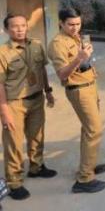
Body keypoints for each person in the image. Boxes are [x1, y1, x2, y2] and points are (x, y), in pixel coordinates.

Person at [48, 8, 105, 193]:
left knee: (88, 130)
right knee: (94, 130)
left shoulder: (76, 38)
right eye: (70, 24)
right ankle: (84, 179)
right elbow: (62, 74)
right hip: (79, 91)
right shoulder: (57, 44)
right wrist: (79, 58)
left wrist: (86, 55)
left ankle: (88, 165)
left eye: (78, 24)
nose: (75, 28)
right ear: (61, 23)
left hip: (90, 86)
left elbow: (85, 62)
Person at [0, 14, 56, 200]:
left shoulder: (37, 45)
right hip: (14, 102)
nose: (20, 29)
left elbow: (42, 70)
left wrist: (48, 91)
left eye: (23, 25)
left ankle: (36, 167)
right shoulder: (2, 52)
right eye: (15, 26)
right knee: (14, 143)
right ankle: (14, 181)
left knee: (37, 135)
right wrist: (4, 111)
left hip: (36, 97)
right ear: (7, 30)